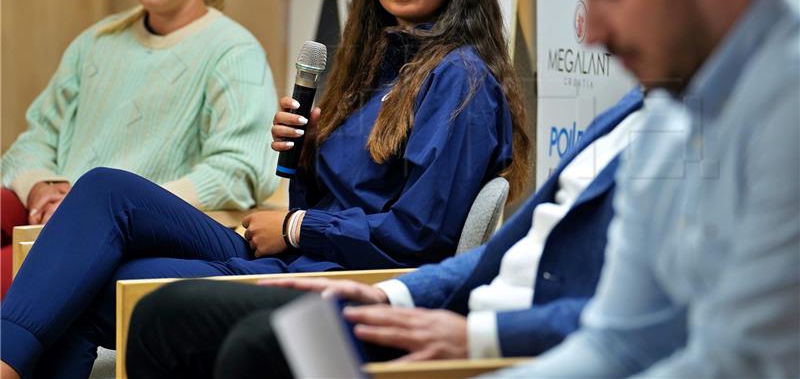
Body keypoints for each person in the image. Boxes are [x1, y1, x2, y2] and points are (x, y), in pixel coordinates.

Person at [0, 0, 529, 379]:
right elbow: (338, 199)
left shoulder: (460, 81)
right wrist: (306, 157)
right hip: (297, 250)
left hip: (337, 277)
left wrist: (299, 226)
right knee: (103, 189)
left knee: (90, 289)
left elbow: (419, 238)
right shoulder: (376, 62)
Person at [488, 0, 799, 377]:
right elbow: (616, 344)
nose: (596, 32)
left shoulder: (787, 112)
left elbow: (739, 365)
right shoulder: (663, 121)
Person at [126, 86, 645, 378]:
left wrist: (479, 335)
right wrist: (396, 294)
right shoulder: (633, 111)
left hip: (490, 339)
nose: (594, 22)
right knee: (158, 313)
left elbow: (419, 236)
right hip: (416, 294)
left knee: (262, 345)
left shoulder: (462, 83)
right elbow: (504, 252)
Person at [0, 0, 279, 298]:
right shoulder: (96, 42)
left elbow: (236, 170)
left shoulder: (233, 52)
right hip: (53, 212)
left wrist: (106, 210)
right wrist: (45, 187)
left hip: (126, 225)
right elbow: (36, 137)